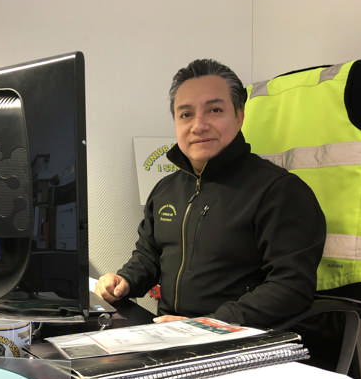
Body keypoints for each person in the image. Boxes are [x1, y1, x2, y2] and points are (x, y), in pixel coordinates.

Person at [94, 58, 326, 329]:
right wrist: (125, 280)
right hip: (169, 333)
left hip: (239, 338)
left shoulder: (280, 191)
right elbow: (149, 257)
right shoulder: (165, 190)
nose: (198, 125)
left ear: (239, 116)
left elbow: (291, 287)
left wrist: (210, 325)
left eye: (214, 110)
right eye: (186, 114)